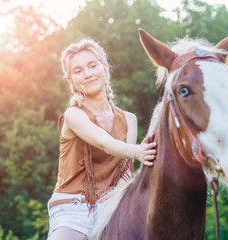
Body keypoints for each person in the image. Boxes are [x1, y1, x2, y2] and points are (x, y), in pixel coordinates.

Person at [47, 38, 157, 240]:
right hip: (73, 207)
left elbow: (124, 172)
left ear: (105, 69)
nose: (87, 74)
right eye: (78, 71)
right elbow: (103, 142)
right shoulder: (73, 116)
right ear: (71, 80)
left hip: (110, 207)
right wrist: (138, 151)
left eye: (92, 66)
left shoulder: (129, 120)